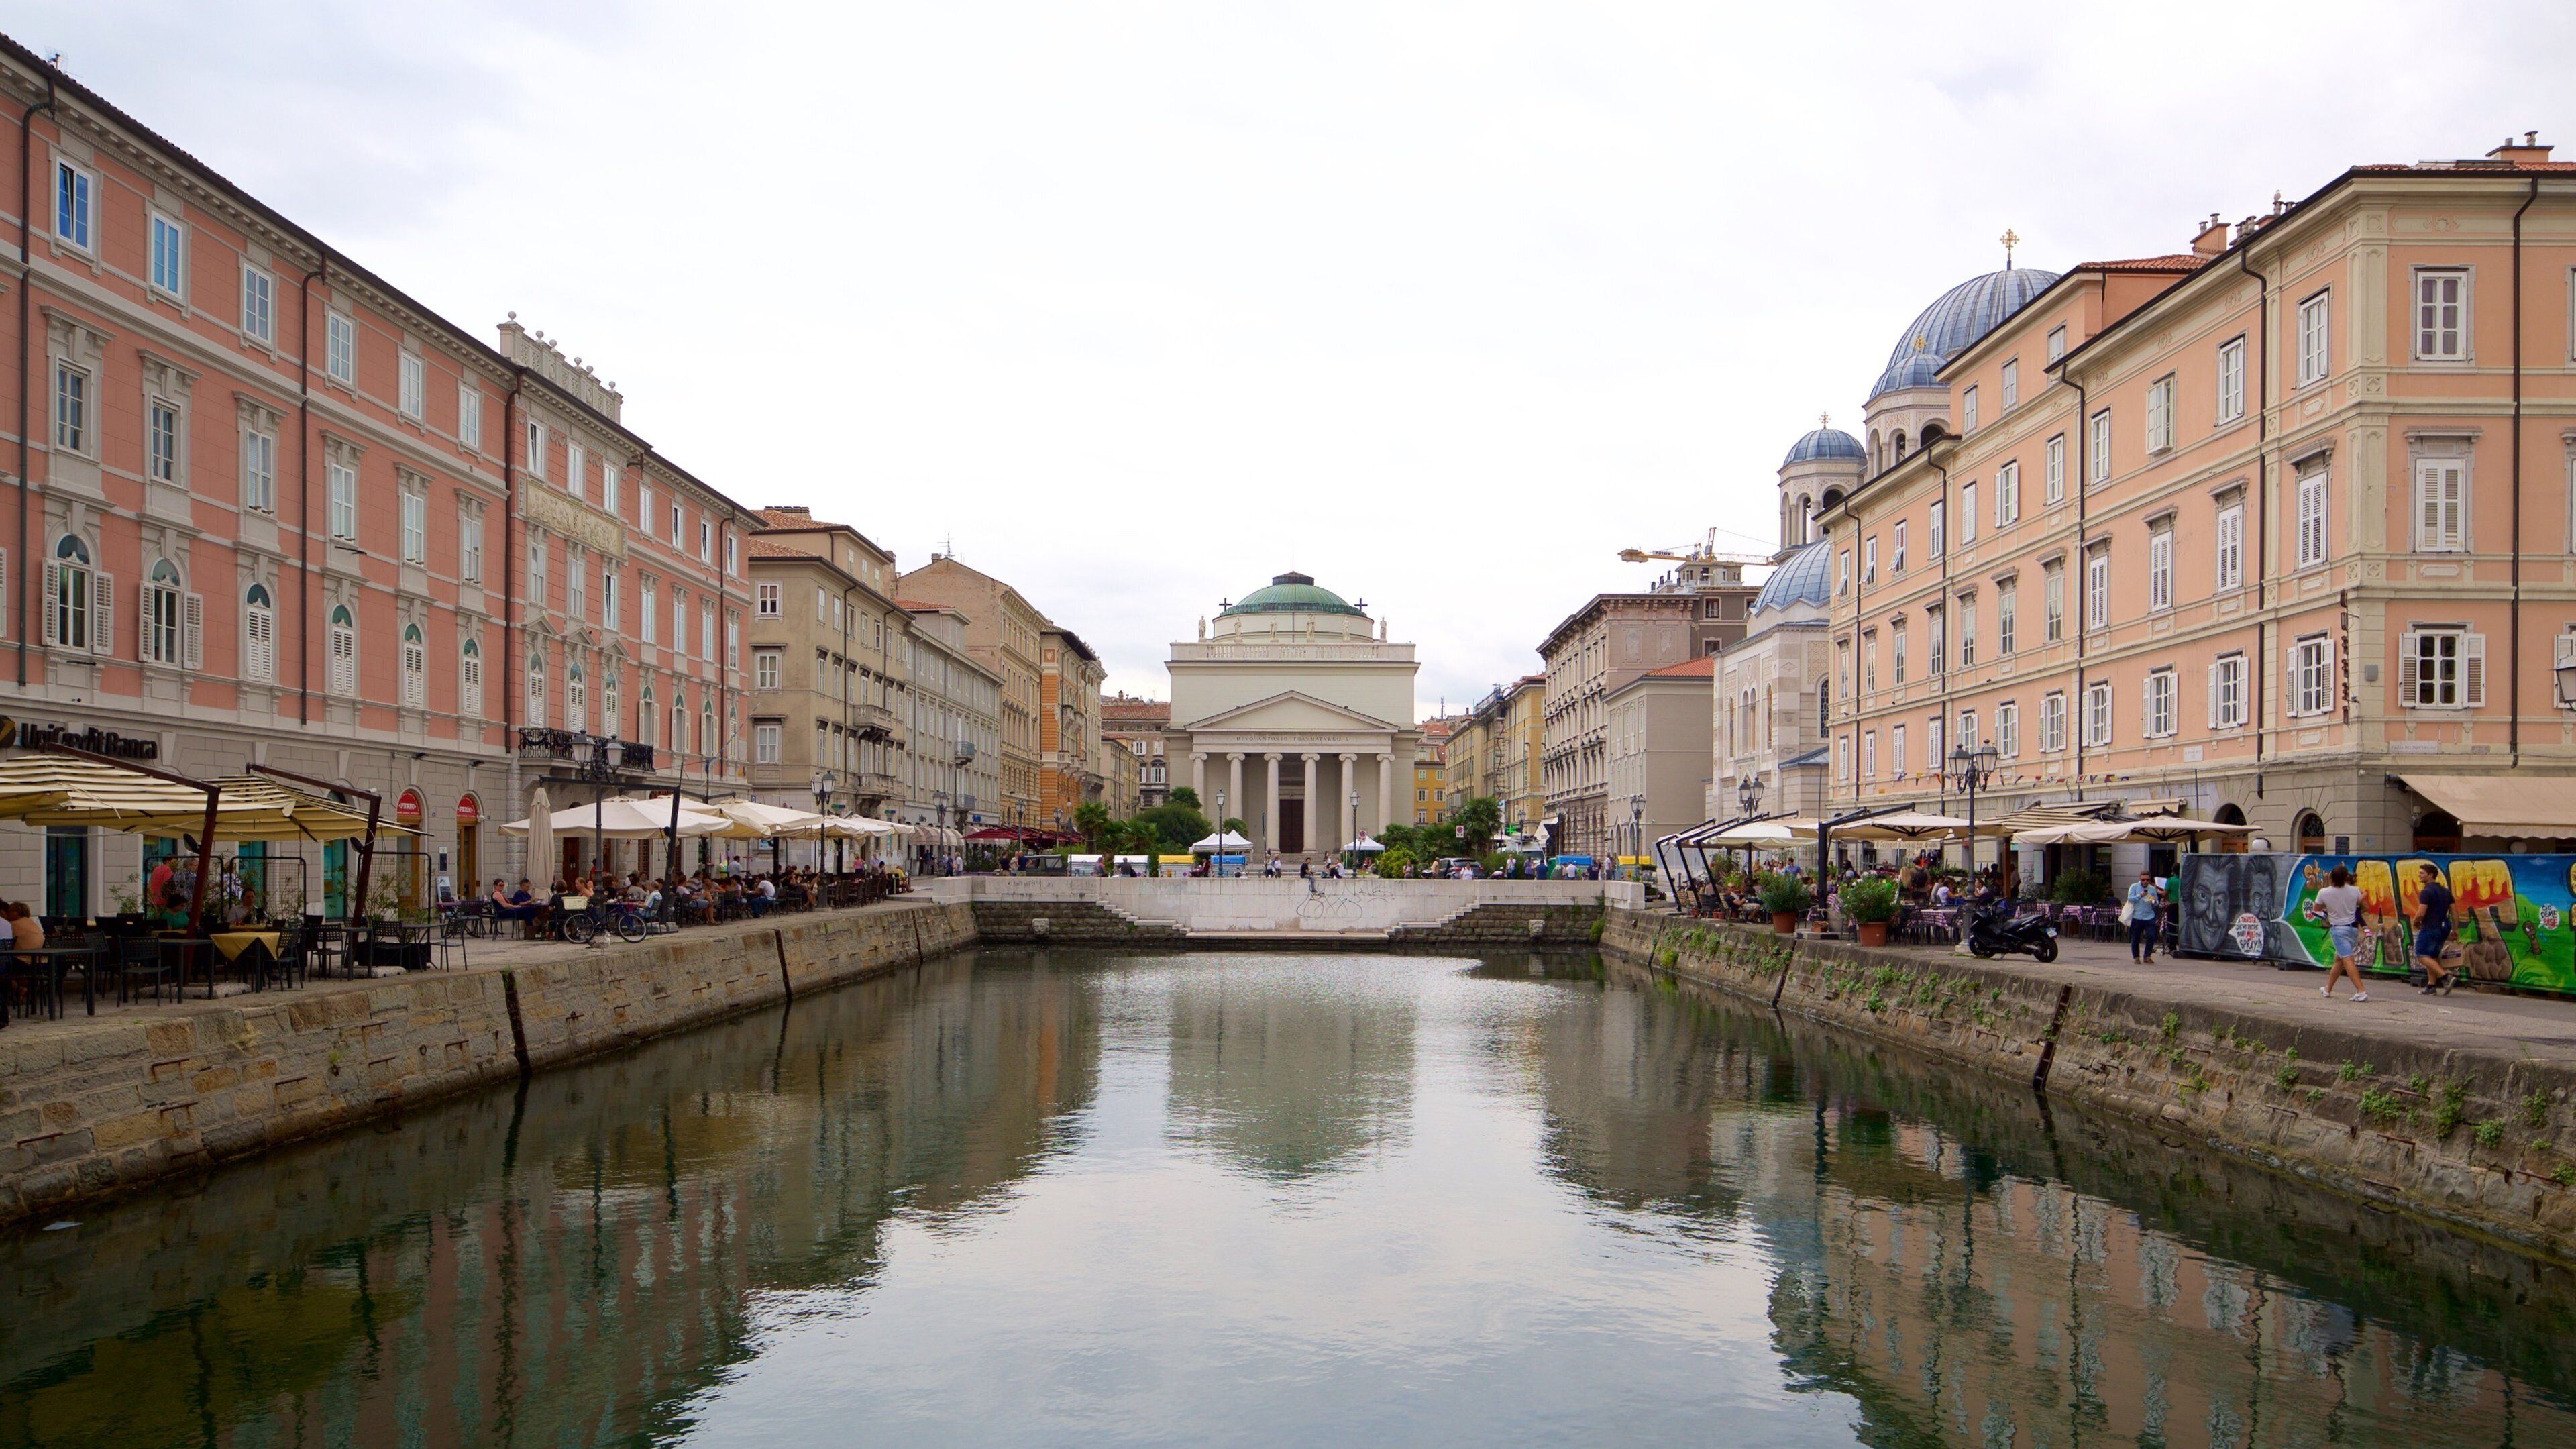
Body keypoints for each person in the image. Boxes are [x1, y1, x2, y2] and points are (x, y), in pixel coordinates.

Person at [2316, 865, 2369, 1001]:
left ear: (2331, 877)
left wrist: (2328, 913)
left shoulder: (2324, 892)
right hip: (2353, 929)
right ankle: (2328, 989)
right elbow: (2364, 908)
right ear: (2346, 878)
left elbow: (2316, 911)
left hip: (2338, 929)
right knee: (2339, 959)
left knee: (2347, 959)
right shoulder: (2355, 890)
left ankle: (2361, 991)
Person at [2412, 863, 2457, 994]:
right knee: (2432, 956)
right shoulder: (2446, 891)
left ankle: (2446, 976)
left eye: (2422, 873)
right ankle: (2431, 986)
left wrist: (2415, 922)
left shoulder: (2426, 892)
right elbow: (2454, 912)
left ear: (2431, 875)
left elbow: (2421, 913)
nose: (2419, 875)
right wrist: (2455, 930)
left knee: (2421, 955)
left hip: (2430, 927)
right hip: (2444, 928)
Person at [2125, 869, 2163, 963]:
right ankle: (2136, 957)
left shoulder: (2152, 888)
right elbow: (2130, 899)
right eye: (2143, 880)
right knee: (2136, 938)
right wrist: (2140, 895)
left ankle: (2147, 956)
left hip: (2149, 916)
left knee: (2151, 936)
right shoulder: (2134, 887)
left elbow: (2157, 902)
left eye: (2147, 880)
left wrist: (2154, 901)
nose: (2145, 882)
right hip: (2137, 916)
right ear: (2140, 879)